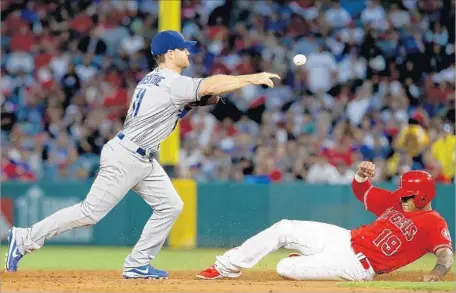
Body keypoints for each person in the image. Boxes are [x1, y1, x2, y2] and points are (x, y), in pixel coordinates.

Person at [5, 30, 281, 279]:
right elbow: (209, 85)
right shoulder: (172, 81)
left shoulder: (152, 80)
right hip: (126, 156)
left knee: (171, 206)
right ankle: (26, 237)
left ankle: (137, 263)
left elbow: (179, 103)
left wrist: (197, 101)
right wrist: (250, 78)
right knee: (90, 212)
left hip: (142, 158)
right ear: (170, 53)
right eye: (184, 49)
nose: (188, 52)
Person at [197, 161, 453, 281]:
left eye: (407, 194)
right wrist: (361, 176)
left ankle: (309, 264)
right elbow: (362, 192)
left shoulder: (433, 222)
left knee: (285, 269)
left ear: (423, 196)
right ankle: (227, 266)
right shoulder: (398, 201)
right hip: (345, 238)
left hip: (359, 266)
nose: (401, 196)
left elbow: (445, 255)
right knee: (284, 226)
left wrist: (437, 274)